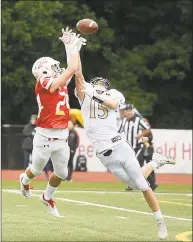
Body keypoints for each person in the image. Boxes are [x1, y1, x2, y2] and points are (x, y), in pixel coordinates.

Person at [74, 29, 176, 239]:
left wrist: (95, 94)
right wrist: (75, 49)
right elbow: (78, 75)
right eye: (95, 85)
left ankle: (160, 221)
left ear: (106, 87)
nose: (97, 87)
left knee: (141, 185)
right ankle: (155, 162)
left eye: (100, 86)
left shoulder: (112, 95)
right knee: (132, 183)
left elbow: (111, 103)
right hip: (103, 154)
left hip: (119, 145)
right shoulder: (85, 97)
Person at [19, 27, 86, 218]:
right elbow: (70, 70)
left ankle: (47, 197)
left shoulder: (58, 79)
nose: (57, 68)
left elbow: (73, 71)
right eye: (53, 66)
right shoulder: (43, 81)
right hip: (45, 135)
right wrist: (72, 48)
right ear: (44, 70)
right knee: (37, 170)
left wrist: (71, 48)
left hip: (62, 135)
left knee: (62, 173)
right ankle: (24, 180)